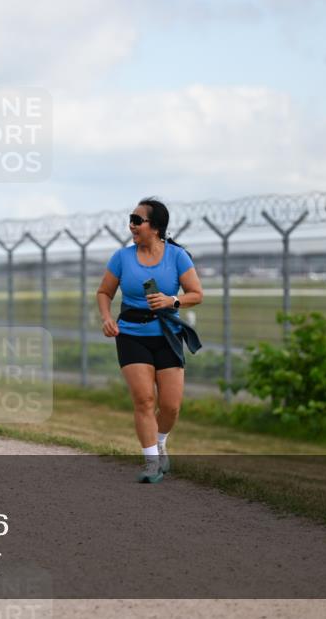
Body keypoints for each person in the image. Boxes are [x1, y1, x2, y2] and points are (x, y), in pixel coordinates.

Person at [96, 198, 203, 483]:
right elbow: (104, 292)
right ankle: (151, 463)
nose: (131, 225)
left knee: (170, 406)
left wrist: (172, 300)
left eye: (137, 220)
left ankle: (160, 441)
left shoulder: (177, 256)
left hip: (167, 334)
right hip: (131, 334)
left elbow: (196, 294)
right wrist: (107, 318)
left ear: (155, 227)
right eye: (130, 220)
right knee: (144, 400)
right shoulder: (122, 257)